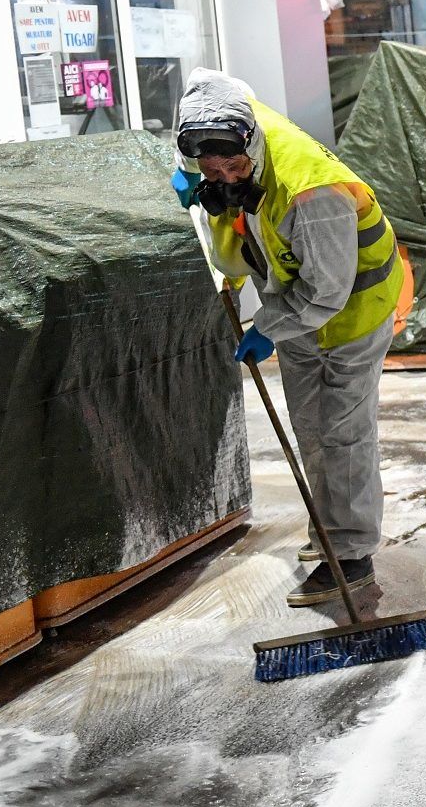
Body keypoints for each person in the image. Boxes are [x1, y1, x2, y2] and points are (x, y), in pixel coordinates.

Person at [170, 68, 408, 606]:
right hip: (294, 305)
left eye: (233, 166)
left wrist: (266, 329)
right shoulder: (226, 143)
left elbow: (327, 292)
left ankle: (352, 555)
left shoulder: (311, 190)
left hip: (352, 309)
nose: (226, 175)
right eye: (211, 168)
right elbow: (241, 231)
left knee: (343, 433)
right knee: (311, 426)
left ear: (252, 142)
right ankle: (330, 529)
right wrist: (205, 200)